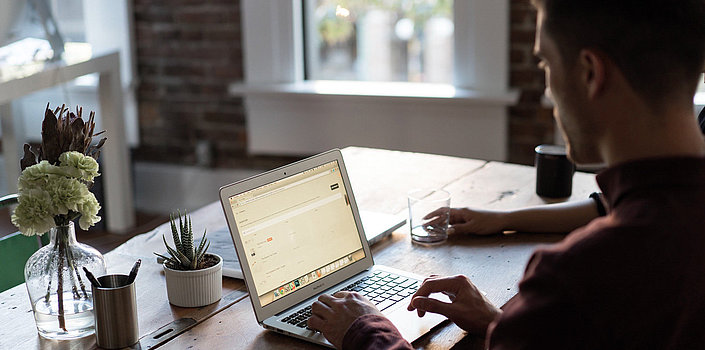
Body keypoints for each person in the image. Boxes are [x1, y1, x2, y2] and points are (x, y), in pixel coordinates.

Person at [307, 0, 705, 348]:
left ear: (589, 73)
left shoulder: (579, 277)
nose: (548, 96)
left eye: (547, 63)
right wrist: (506, 326)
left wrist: (365, 330)